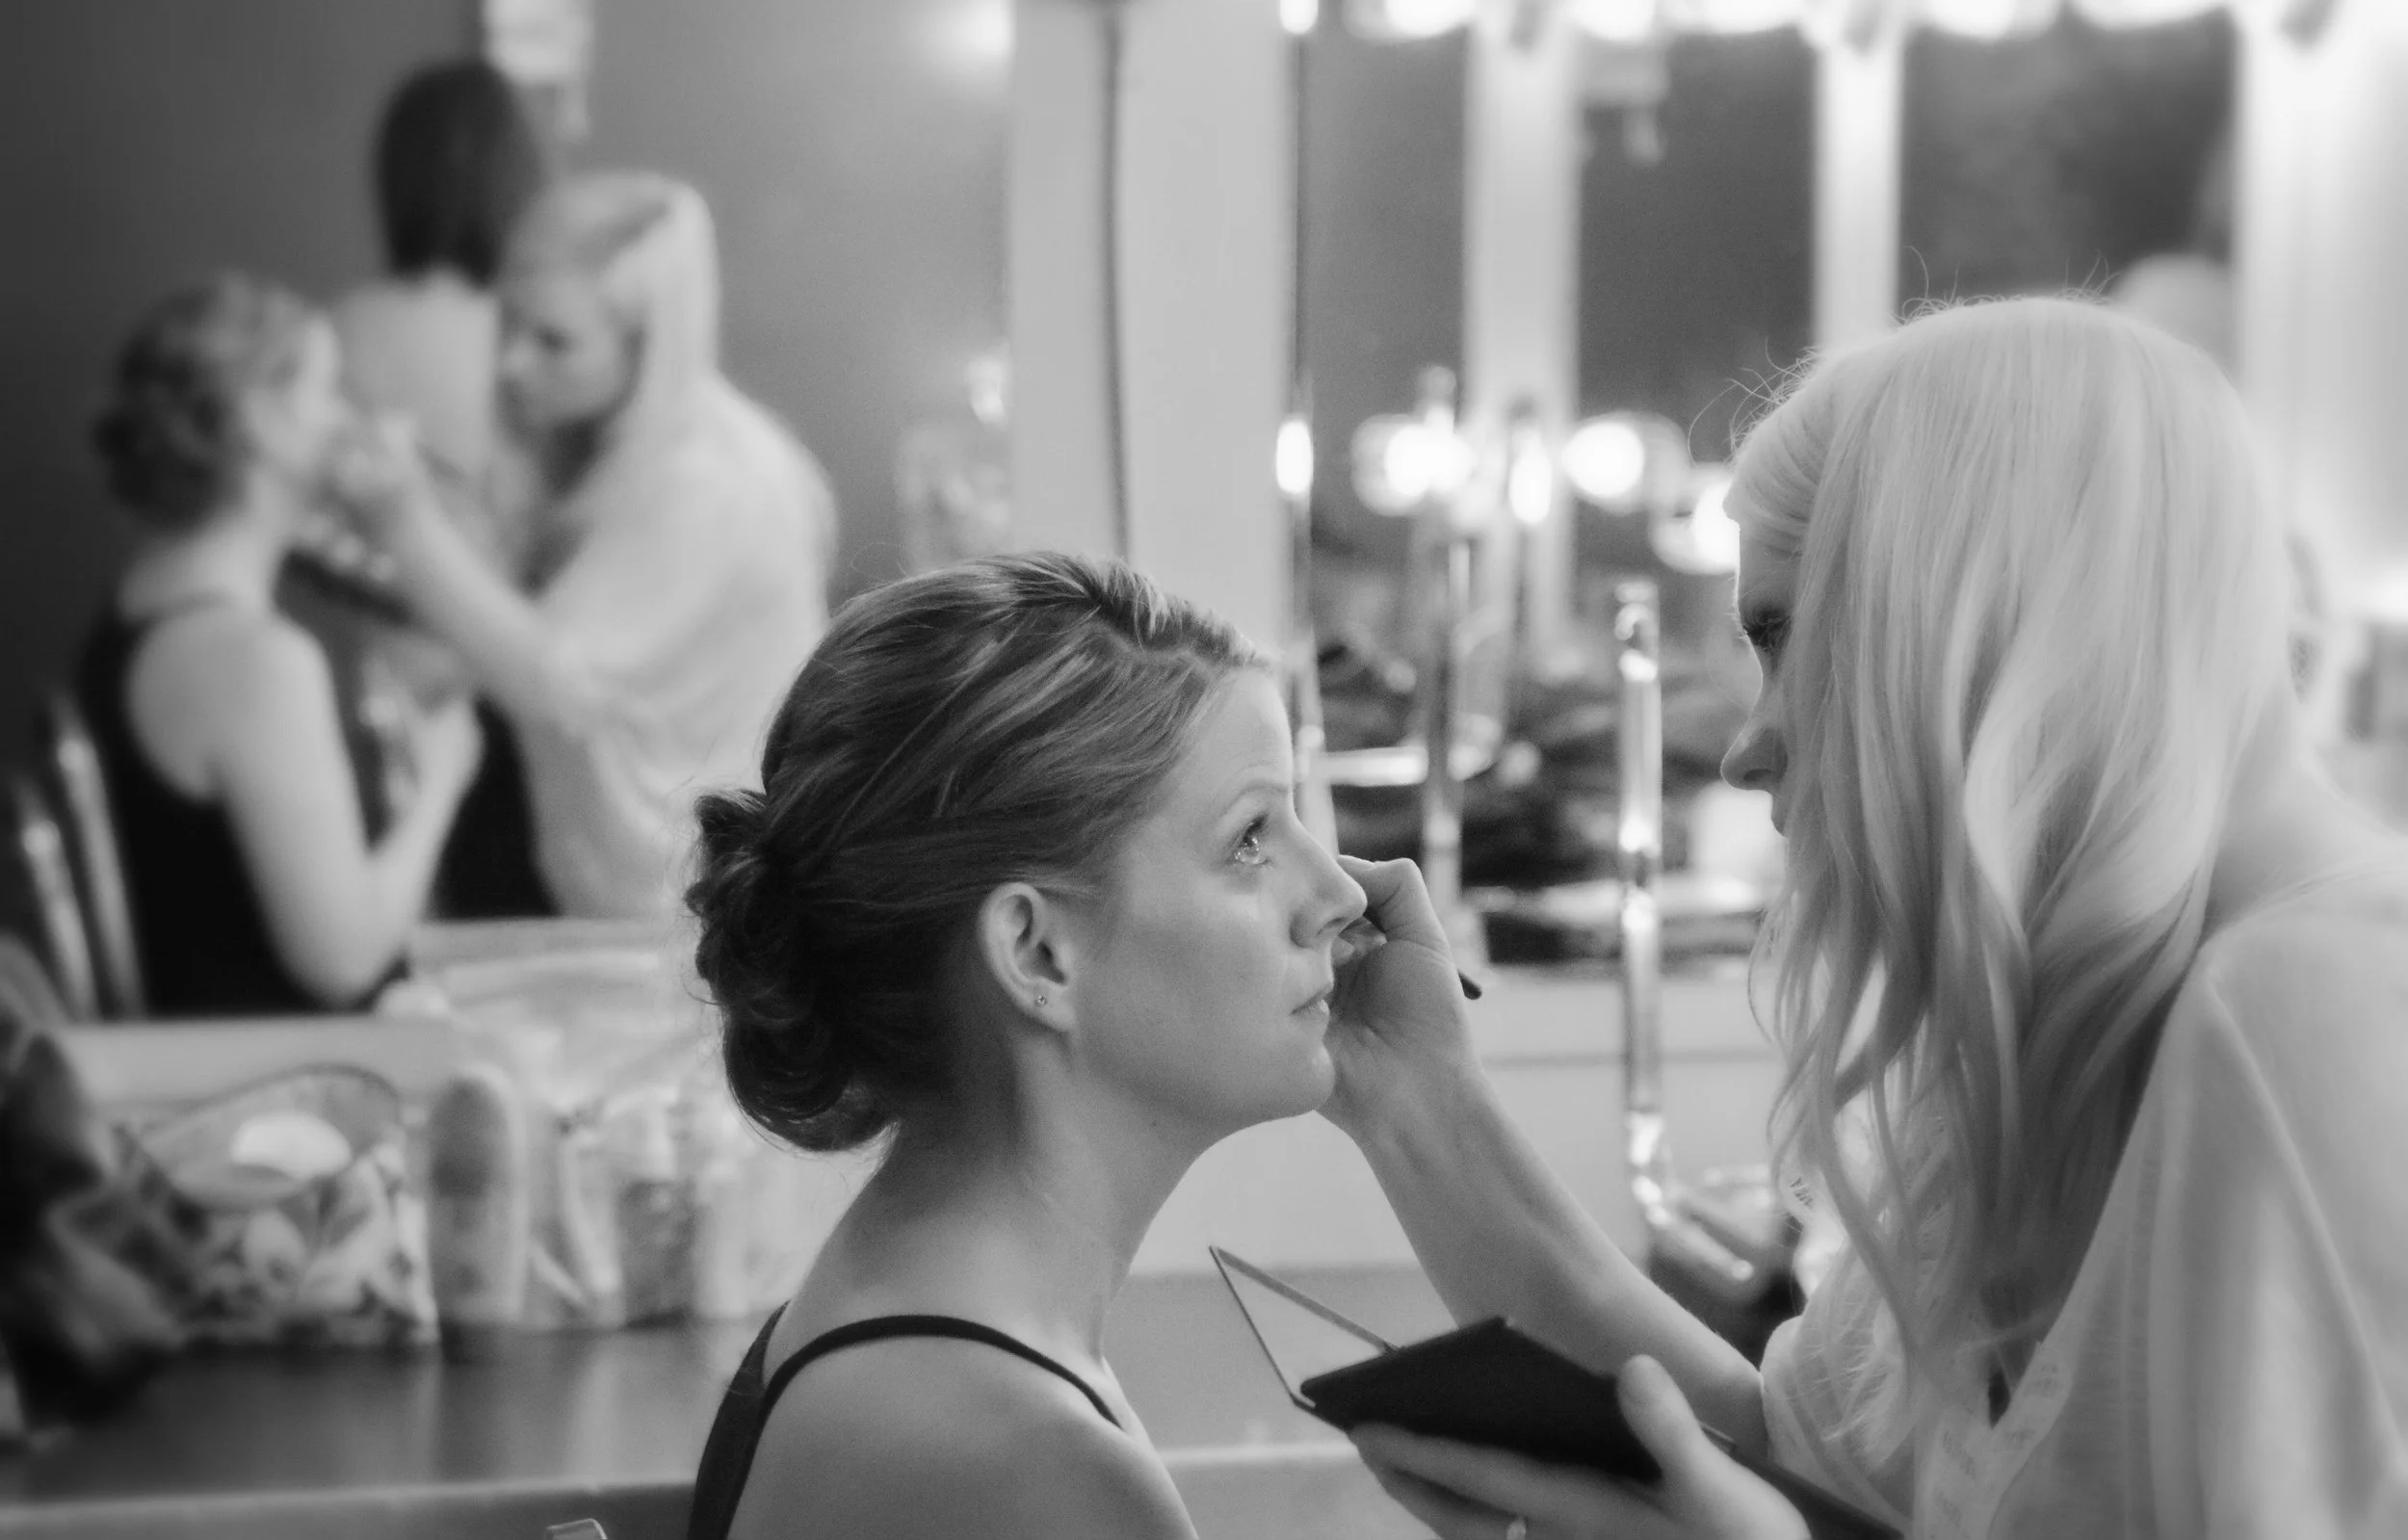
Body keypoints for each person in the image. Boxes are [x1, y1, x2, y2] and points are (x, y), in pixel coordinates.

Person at [1318, 299, 2408, 1538]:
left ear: (1966, 615)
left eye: (1782, 637)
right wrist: (1413, 1100)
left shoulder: (2329, 1006)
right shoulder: (2074, 1036)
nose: (1743, 747)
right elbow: (1786, 1457)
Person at [681, 553, 1367, 1540]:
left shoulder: (932, 1329)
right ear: (1036, 951)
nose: (1339, 894)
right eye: (1251, 838)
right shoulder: (1023, 1459)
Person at [331, 171, 837, 918]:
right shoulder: (612, 461)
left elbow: (559, 683)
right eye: (509, 325)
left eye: (554, 342)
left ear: (647, 347)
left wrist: (405, 524)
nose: (512, 363)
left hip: (687, 917)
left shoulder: (711, 484)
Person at [78, 275, 483, 1015]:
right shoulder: (253, 662)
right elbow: (343, 958)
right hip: (283, 1092)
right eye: (328, 391)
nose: (345, 419)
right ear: (262, 421)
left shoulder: (143, 596)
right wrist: (439, 780)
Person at [331, 57, 548, 568]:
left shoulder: (335, 331)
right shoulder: (543, 339)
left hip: (365, 624)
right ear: (522, 176)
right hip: (513, 626)